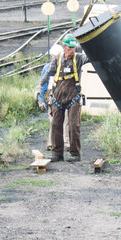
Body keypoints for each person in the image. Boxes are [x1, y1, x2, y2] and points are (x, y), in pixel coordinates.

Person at [38, 34, 88, 162]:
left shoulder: (80, 58)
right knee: (55, 124)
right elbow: (49, 72)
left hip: (73, 98)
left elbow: (92, 57)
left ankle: (75, 153)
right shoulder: (57, 60)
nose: (73, 50)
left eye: (74, 47)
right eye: (70, 47)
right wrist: (40, 84)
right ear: (64, 47)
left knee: (73, 125)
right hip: (58, 97)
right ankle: (57, 153)